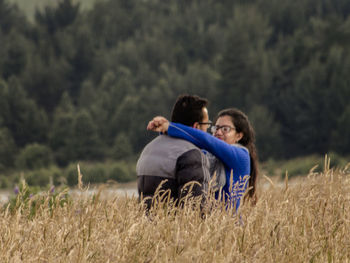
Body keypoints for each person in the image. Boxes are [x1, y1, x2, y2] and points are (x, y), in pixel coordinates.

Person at [147, 108, 258, 211]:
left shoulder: (241, 156)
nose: (218, 132)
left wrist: (170, 127)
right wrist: (164, 131)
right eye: (216, 128)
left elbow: (207, 140)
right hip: (205, 227)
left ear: (239, 136)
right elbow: (186, 146)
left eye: (225, 129)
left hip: (229, 227)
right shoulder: (206, 155)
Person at [136, 94, 211, 210]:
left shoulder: (148, 148)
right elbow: (195, 209)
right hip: (176, 227)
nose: (208, 129)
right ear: (196, 127)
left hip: (148, 227)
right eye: (207, 124)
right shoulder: (191, 154)